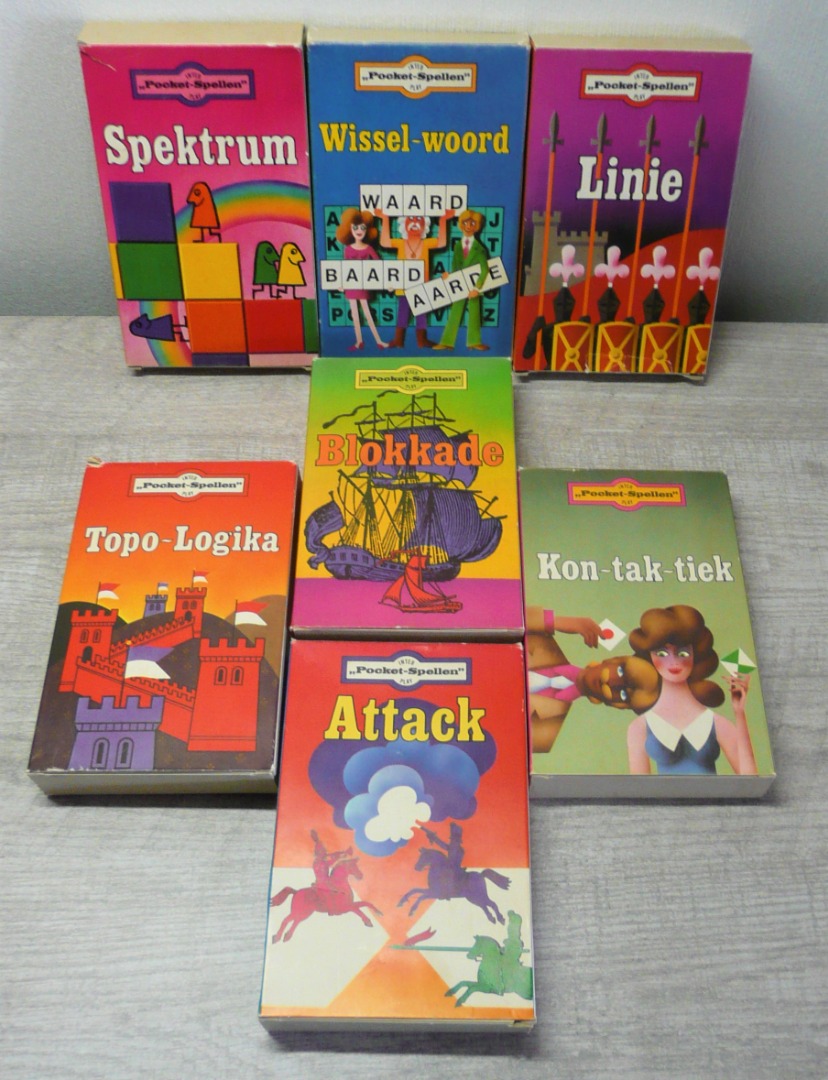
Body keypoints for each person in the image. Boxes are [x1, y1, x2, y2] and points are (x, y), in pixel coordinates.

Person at [624, 605, 758, 776]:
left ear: (696, 655)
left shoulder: (716, 722)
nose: (674, 662)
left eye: (683, 653)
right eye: (662, 654)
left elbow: (749, 778)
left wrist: (739, 713)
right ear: (648, 657)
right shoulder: (639, 727)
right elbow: (639, 787)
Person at [378, 209, 453, 348]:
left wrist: (443, 220)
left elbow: (441, 242)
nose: (414, 223)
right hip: (403, 287)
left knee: (421, 314)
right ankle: (398, 340)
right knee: (403, 313)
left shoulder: (426, 243)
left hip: (422, 286)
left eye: (419, 219)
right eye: (411, 219)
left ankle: (422, 340)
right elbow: (385, 242)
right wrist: (385, 218)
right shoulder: (401, 243)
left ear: (425, 225)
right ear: (404, 224)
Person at [435, 209, 490, 351]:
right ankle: (447, 342)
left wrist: (477, 288)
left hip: (474, 287)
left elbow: (485, 270)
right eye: (465, 223)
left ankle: (474, 342)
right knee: (455, 311)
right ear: (461, 224)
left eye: (472, 223)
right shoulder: (458, 245)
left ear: (477, 226)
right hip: (460, 284)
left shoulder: (480, 249)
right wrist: (449, 275)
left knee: (474, 314)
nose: (468, 226)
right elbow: (456, 266)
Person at [335, 209, 388, 351]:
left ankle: (379, 340)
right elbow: (345, 268)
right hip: (351, 285)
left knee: (367, 313)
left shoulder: (369, 248)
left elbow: (379, 265)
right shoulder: (348, 249)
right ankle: (359, 341)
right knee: (355, 314)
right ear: (349, 229)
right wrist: (341, 284)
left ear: (367, 230)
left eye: (362, 228)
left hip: (364, 284)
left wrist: (386, 282)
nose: (359, 231)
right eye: (355, 228)